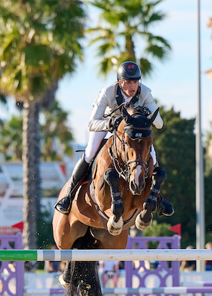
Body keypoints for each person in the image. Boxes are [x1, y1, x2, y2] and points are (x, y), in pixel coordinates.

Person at [54, 61, 174, 217]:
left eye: (136, 81)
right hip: (107, 126)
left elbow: (159, 124)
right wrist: (111, 122)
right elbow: (92, 123)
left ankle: (157, 198)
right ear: (120, 82)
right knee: (90, 153)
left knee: (151, 155)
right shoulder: (107, 92)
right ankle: (69, 195)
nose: (133, 86)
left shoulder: (144, 92)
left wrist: (145, 111)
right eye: (129, 82)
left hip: (131, 132)